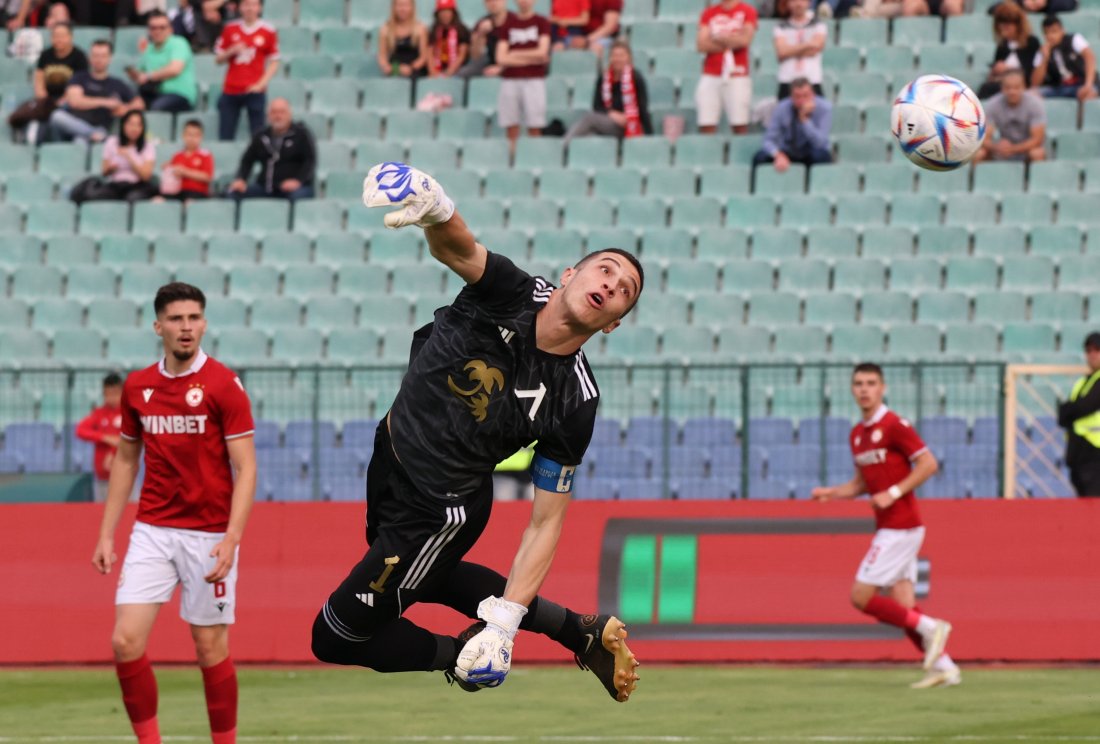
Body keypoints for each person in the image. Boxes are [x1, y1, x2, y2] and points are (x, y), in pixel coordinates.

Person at [310, 161, 643, 703]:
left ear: (613, 323)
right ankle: (579, 630)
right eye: (605, 270)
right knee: (432, 579)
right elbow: (459, 248)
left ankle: (459, 657)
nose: (611, 283)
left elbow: (545, 521)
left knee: (335, 635)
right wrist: (438, 209)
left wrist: (504, 627)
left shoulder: (577, 401)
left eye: (624, 289)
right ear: (568, 275)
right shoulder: (511, 291)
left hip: (437, 510)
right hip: (389, 455)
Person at [91, 282, 256, 744]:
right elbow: (126, 460)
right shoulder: (138, 386)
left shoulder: (224, 385)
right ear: (158, 325)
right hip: (153, 530)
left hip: (209, 535)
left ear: (204, 323)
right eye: (178, 319)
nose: (187, 327)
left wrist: (232, 538)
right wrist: (108, 534)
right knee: (125, 641)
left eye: (195, 318)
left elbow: (246, 468)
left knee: (209, 647)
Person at [811, 362, 959, 690]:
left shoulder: (895, 425)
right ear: (852, 390)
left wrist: (892, 493)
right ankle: (944, 667)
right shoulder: (857, 435)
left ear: (883, 388)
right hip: (891, 526)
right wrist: (831, 493)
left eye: (871, 383)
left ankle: (932, 627)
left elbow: (928, 463)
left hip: (901, 526)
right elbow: (862, 484)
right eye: (859, 383)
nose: (864, 389)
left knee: (861, 596)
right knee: (903, 605)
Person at [49, 39, 143, 145]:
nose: (99, 60)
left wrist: (125, 108)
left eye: (103, 56)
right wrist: (106, 102)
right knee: (57, 116)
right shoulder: (80, 77)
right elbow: (75, 102)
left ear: (110, 58)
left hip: (98, 127)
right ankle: (100, 137)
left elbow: (139, 104)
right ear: (90, 58)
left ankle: (94, 136)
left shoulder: (117, 84)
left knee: (79, 142)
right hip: (72, 124)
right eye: (95, 55)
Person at [7, 20, 88, 143]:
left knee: (54, 116)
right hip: (47, 100)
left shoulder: (79, 57)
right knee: (39, 114)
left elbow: (79, 84)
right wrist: (44, 99)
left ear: (70, 37)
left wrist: (61, 102)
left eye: (62, 36)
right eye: (55, 36)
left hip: (68, 100)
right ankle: (30, 143)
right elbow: (39, 79)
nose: (58, 39)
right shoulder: (46, 55)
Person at [226, 97, 316, 202]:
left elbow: (310, 161)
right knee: (231, 193)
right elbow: (247, 160)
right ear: (268, 116)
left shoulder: (301, 134)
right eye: (274, 112)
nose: (278, 116)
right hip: (265, 187)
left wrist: (298, 181)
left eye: (282, 112)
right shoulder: (261, 136)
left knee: (297, 197)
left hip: (295, 188)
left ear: (289, 114)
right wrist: (241, 179)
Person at [214, 0, 280, 142]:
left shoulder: (268, 30)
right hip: (231, 89)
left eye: (253, 4)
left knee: (258, 135)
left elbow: (275, 61)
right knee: (225, 135)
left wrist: (260, 84)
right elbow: (218, 59)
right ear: (240, 7)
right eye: (246, 4)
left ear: (259, 7)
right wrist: (231, 50)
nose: (250, 8)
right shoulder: (230, 28)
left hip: (254, 90)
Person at [564, 41, 651, 142]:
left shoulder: (636, 78)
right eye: (614, 55)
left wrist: (648, 136)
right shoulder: (603, 78)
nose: (617, 59)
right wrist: (612, 114)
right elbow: (597, 106)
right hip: (609, 123)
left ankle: (562, 147)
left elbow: (642, 108)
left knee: (590, 119)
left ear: (628, 58)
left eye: (621, 55)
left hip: (629, 125)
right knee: (590, 136)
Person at [694, 0, 757, 135]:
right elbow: (701, 45)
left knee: (739, 123)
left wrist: (718, 37)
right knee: (706, 122)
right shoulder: (709, 13)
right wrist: (732, 41)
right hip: (711, 73)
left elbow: (745, 40)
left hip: (737, 73)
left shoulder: (747, 11)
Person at [496, 0, 551, 154]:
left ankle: (535, 157)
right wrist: (531, 57)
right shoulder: (508, 24)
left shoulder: (541, 22)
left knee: (535, 125)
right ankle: (512, 158)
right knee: (511, 126)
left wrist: (514, 53)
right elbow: (501, 58)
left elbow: (542, 53)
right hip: (510, 80)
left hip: (534, 80)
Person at [70, 110, 159, 204]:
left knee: (133, 198)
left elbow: (146, 176)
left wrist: (130, 158)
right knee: (94, 195)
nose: (134, 128)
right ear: (123, 125)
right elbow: (104, 172)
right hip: (116, 185)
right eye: (131, 124)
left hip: (137, 185)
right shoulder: (112, 142)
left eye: (138, 125)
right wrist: (111, 168)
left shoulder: (148, 146)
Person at [752, 77, 832, 171]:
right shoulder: (782, 108)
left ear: (813, 94)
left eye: (805, 96)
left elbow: (820, 143)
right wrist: (778, 154)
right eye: (797, 97)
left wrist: (804, 121)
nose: (802, 100)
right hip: (787, 151)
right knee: (760, 157)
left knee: (821, 156)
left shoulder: (824, 108)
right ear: (791, 97)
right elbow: (768, 140)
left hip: (811, 150)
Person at [128, 10, 199, 113]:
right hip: (153, 93)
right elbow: (140, 74)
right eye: (153, 28)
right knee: (132, 107)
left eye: (162, 27)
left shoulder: (179, 43)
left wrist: (148, 76)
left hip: (179, 94)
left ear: (170, 29)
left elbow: (175, 69)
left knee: (157, 108)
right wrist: (134, 74)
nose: (157, 31)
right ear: (148, 30)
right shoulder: (149, 49)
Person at [1058, 332, 1100, 497]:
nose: (1092, 354)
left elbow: (1085, 406)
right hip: (1078, 451)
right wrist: (1071, 409)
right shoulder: (1083, 381)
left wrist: (1070, 409)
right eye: (1088, 350)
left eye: (1097, 349)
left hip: (1095, 451)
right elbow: (1063, 415)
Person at [973, 70, 1046, 164]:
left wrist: (1013, 149)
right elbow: (983, 137)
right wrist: (996, 147)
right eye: (1008, 87)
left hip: (1026, 150)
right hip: (1001, 150)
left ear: (1024, 87)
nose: (1012, 91)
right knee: (979, 153)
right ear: (1002, 88)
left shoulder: (1035, 104)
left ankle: (1036, 178)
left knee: (1037, 153)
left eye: (1016, 87)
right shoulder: (993, 104)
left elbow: (1037, 139)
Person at [75, 372, 124, 504]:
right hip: (103, 476)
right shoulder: (99, 413)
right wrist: (105, 437)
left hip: (125, 476)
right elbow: (80, 430)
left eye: (115, 394)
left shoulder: (128, 413)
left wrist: (113, 452)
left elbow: (129, 440)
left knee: (129, 513)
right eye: (107, 394)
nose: (111, 398)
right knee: (101, 514)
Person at [977, 2, 1040, 99]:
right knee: (986, 88)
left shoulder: (1031, 42)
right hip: (1002, 85)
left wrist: (1008, 69)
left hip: (1021, 86)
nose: (1004, 29)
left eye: (1008, 25)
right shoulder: (1002, 46)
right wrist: (995, 70)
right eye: (1001, 25)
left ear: (1018, 25)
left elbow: (1032, 72)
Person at [1032, 15, 1099, 101]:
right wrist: (1044, 59)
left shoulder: (1074, 39)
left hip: (1082, 84)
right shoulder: (1042, 51)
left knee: (1089, 94)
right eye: (1047, 33)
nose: (1051, 36)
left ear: (1062, 30)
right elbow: (1035, 83)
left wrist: (1088, 84)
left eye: (1054, 31)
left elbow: (1090, 58)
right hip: (1059, 88)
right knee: (1032, 95)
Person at [773, 0, 826, 99]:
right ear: (788, 3)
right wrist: (808, 44)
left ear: (808, 2)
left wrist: (790, 49)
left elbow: (815, 48)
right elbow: (781, 52)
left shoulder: (817, 24)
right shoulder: (780, 26)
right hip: (787, 80)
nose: (798, 4)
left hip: (812, 79)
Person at [159, 118, 215, 201]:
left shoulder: (205, 155)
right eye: (189, 134)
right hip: (177, 192)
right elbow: (173, 175)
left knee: (189, 203)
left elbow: (207, 177)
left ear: (201, 137)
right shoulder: (177, 155)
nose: (192, 138)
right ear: (183, 136)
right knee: (159, 200)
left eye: (196, 135)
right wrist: (169, 169)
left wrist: (185, 172)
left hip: (197, 193)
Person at [456, 0, 510, 79]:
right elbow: (475, 55)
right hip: (489, 63)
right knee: (462, 73)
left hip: (510, 64)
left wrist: (501, 68)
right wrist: (481, 34)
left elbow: (520, 54)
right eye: (489, 1)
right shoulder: (482, 23)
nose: (493, 3)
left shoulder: (515, 21)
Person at [376, 0, 430, 78]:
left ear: (412, 7)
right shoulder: (385, 29)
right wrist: (393, 68)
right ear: (393, 7)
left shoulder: (421, 28)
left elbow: (423, 57)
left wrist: (410, 68)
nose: (403, 9)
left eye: (406, 5)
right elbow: (382, 56)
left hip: (415, 72)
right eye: (399, 5)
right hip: (394, 70)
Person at [428, 0, 470, 77]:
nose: (445, 14)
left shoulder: (462, 30)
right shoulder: (433, 30)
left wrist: (449, 71)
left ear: (453, 13)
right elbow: (430, 53)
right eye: (442, 11)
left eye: (448, 11)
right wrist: (433, 71)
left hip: (456, 71)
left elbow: (462, 55)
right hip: (437, 69)